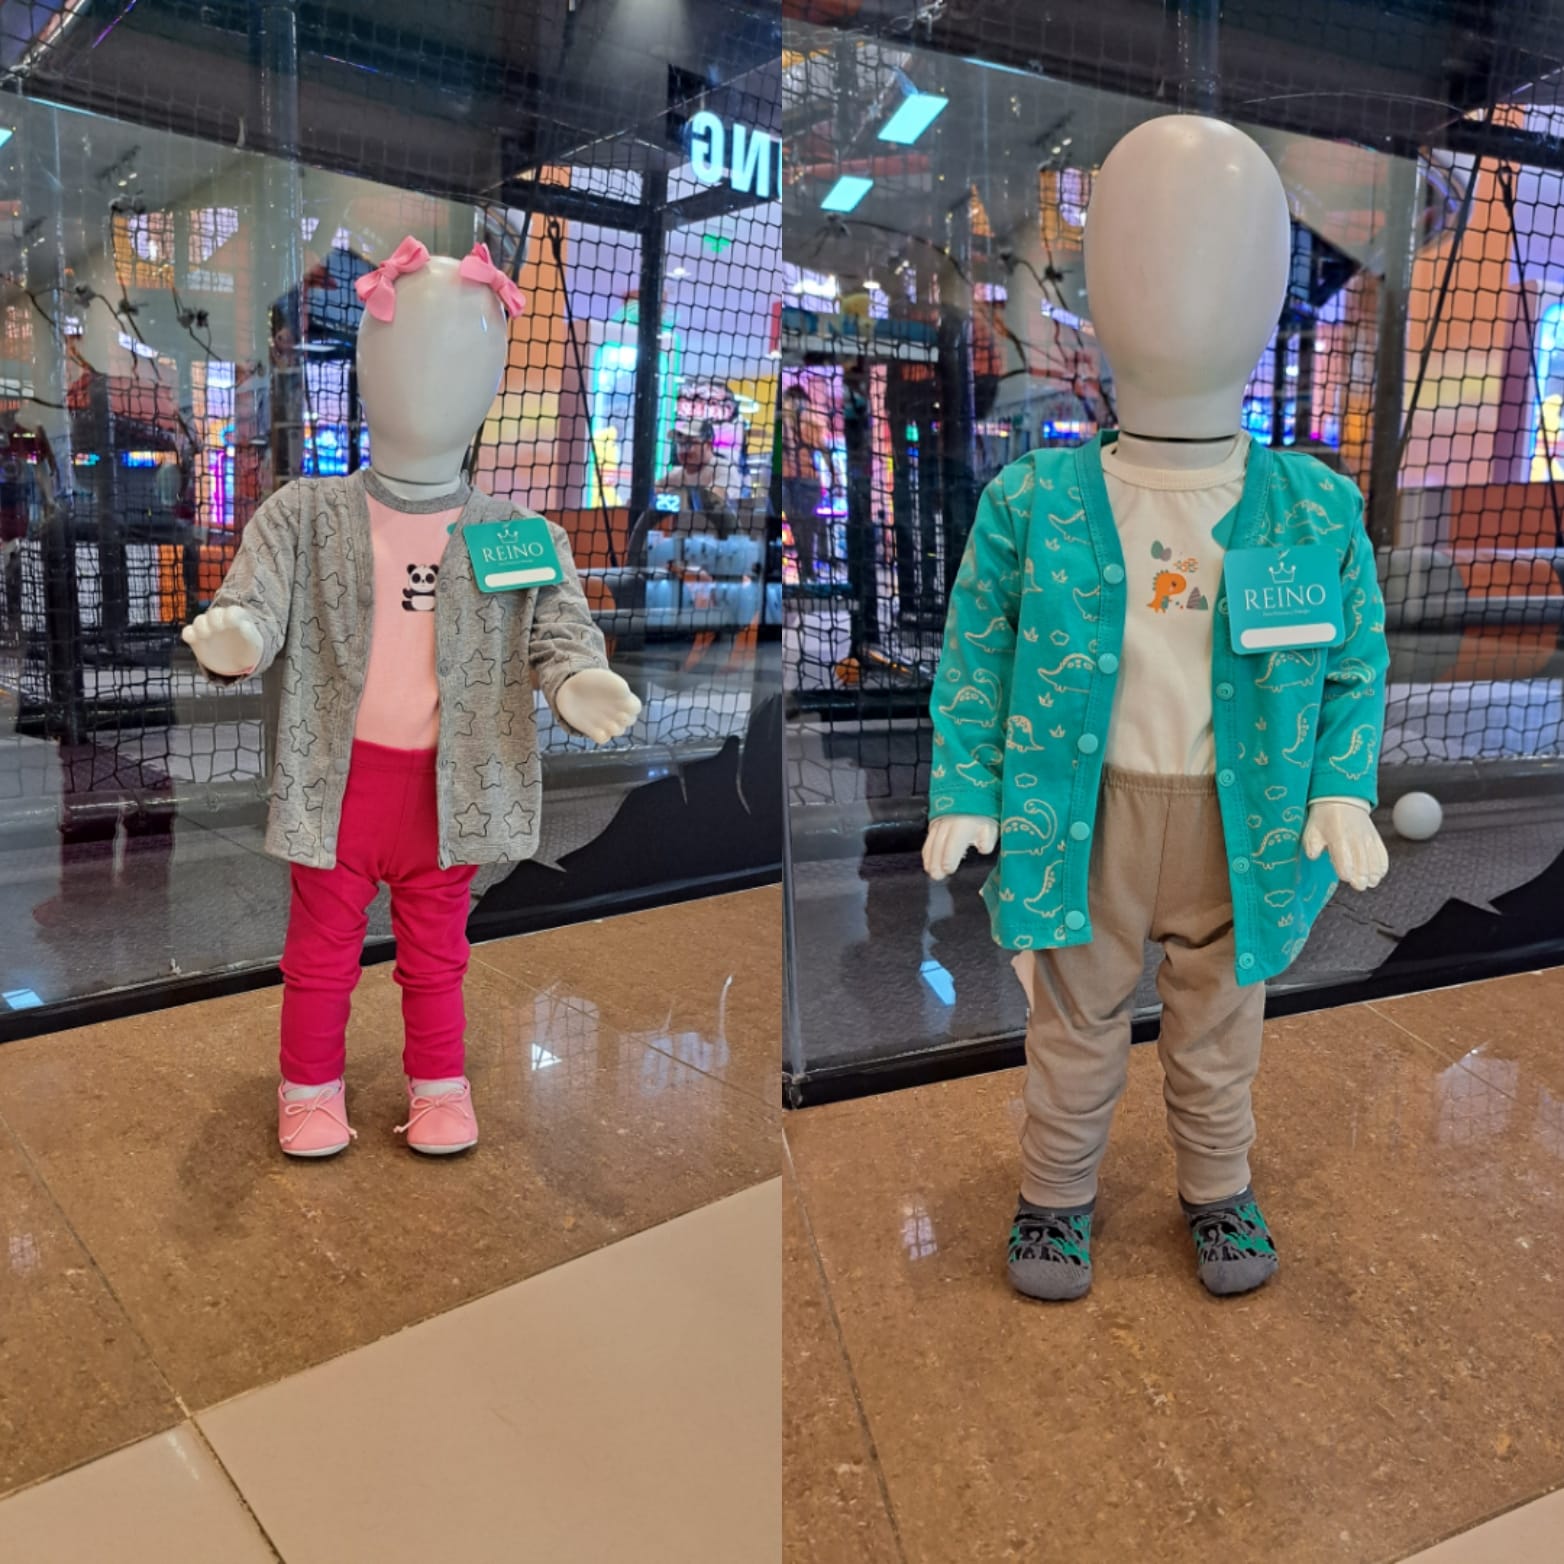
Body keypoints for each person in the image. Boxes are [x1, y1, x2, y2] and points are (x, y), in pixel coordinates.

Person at [780, 383, 830, 582]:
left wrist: (834, 478)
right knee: (799, 526)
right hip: (790, 482)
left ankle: (807, 569)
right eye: (791, 401)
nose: (796, 405)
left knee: (806, 527)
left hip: (807, 482)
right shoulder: (782, 425)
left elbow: (824, 450)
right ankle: (807, 569)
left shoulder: (810, 425)